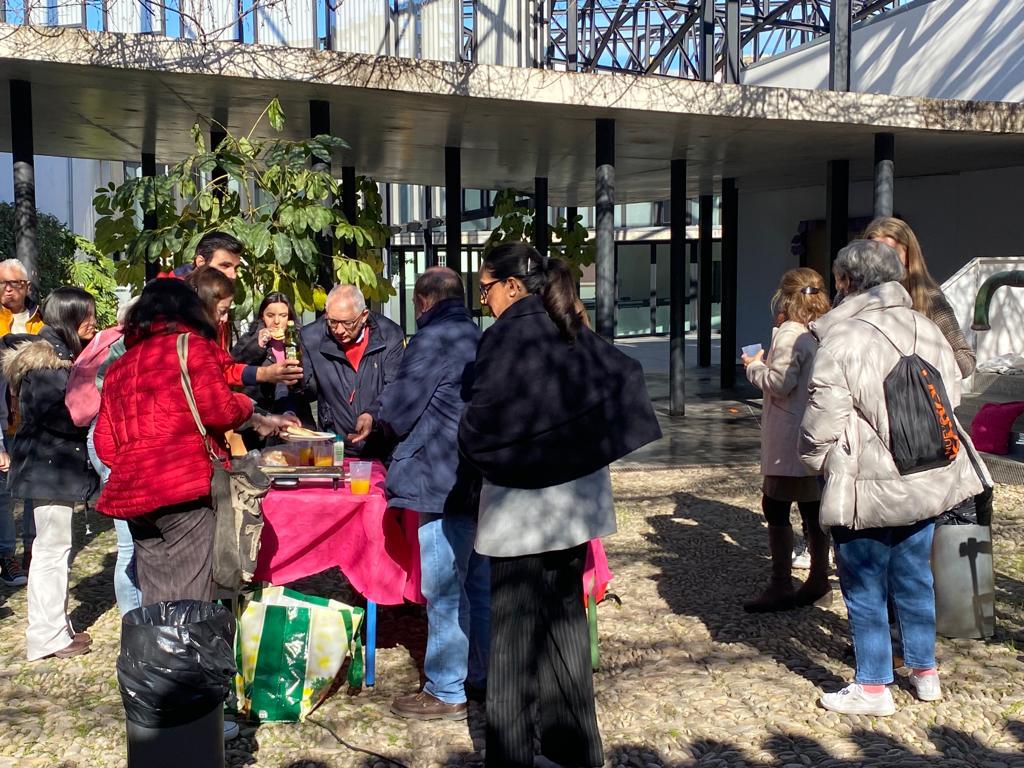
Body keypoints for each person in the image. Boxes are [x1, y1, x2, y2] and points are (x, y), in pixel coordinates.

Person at [459, 243, 661, 768]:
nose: (483, 301)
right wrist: (580, 448)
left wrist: (477, 441)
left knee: (512, 640)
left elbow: (483, 421)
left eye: (485, 288)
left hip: (521, 511)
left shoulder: (507, 335)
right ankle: (575, 752)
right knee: (566, 624)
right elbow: (623, 376)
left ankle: (511, 760)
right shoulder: (568, 324)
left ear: (511, 286)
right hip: (573, 507)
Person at [799, 240, 986, 716]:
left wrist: (815, 460)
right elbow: (952, 395)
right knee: (914, 577)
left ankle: (873, 686)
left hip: (866, 480)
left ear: (845, 281)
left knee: (864, 582)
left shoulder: (842, 337)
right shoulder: (925, 325)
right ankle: (925, 672)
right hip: (924, 474)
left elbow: (822, 418)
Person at [94, 279, 294, 604]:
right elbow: (221, 410)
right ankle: (186, 640)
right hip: (184, 488)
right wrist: (247, 406)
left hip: (135, 494)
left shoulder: (119, 368)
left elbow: (105, 444)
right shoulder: (191, 348)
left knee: (156, 596)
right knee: (191, 595)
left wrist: (138, 462)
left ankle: (159, 639)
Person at [350, 268, 489, 721]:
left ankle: (447, 687)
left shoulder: (432, 339)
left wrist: (376, 419)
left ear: (423, 301)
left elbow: (401, 407)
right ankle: (481, 675)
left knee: (444, 587)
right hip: (475, 474)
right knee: (477, 582)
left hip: (438, 478)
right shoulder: (476, 334)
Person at [1, 287, 99, 660]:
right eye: (86, 315)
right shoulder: (46, 362)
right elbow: (58, 416)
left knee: (53, 549)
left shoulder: (58, 356)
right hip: (48, 467)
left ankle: (55, 626)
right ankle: (47, 635)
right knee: (51, 552)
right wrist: (92, 410)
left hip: (51, 467)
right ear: (68, 318)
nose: (92, 322)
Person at [742, 268, 831, 613]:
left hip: (788, 435)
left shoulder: (790, 333)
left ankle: (780, 583)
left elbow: (779, 384)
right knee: (813, 506)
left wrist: (754, 366)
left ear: (785, 296)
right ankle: (819, 578)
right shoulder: (825, 329)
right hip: (817, 429)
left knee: (775, 505)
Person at [65, 299, 143, 616]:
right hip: (113, 442)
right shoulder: (125, 348)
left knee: (130, 545)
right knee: (131, 546)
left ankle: (135, 619)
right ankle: (134, 620)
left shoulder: (104, 341)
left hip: (98, 437)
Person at [300, 284, 405, 459]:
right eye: (332, 322)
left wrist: (372, 414)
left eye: (347, 323)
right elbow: (305, 391)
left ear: (364, 316)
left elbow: (396, 387)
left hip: (382, 444)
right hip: (335, 445)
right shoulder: (311, 337)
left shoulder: (389, 334)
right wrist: (295, 383)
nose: (339, 330)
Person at [862, 216, 975, 378]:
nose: (882, 263)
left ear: (909, 256)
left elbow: (966, 358)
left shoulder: (929, 297)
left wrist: (920, 372)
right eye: (875, 255)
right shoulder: (852, 294)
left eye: (891, 255)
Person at [0, 258, 40, 586]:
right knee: (3, 494)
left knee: (32, 492)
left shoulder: (41, 319)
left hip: (34, 419)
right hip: (3, 420)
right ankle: (6, 555)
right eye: (2, 283)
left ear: (27, 286)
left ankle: (32, 551)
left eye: (15, 283)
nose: (8, 289)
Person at [231, 292, 313, 440]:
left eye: (283, 315)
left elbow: (310, 381)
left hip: (296, 416)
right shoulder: (251, 339)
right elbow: (234, 368)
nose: (276, 321)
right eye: (270, 315)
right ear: (262, 316)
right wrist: (258, 344)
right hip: (261, 421)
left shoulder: (301, 340)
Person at [160, 231, 243, 281]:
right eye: (225, 266)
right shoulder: (170, 298)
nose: (233, 276)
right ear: (201, 263)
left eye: (236, 268)